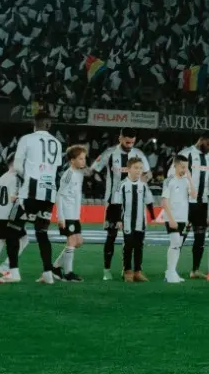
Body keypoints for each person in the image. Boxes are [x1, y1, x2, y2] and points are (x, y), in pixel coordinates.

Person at [91, 130, 150, 280]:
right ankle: (106, 270)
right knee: (111, 236)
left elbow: (148, 173)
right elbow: (94, 170)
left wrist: (142, 182)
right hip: (113, 203)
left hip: (134, 203)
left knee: (134, 239)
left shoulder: (138, 154)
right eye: (127, 142)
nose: (130, 145)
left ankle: (131, 270)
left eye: (132, 142)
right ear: (120, 138)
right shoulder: (109, 153)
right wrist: (102, 184)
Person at [13, 111, 62, 284]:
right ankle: (47, 273)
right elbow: (56, 167)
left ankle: (12, 271)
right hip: (49, 192)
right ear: (49, 125)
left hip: (31, 191)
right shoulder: (57, 143)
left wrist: (26, 178)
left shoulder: (27, 139)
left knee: (12, 230)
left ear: (34, 124)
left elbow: (17, 166)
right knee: (42, 233)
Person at [173, 134, 209, 278]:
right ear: (201, 140)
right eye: (208, 144)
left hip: (202, 204)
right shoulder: (186, 154)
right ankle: (171, 269)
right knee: (180, 237)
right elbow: (173, 175)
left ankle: (195, 270)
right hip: (186, 203)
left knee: (200, 238)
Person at [114, 158, 155, 282]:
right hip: (127, 221)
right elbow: (117, 204)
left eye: (140, 168)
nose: (138, 170)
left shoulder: (143, 185)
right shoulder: (122, 184)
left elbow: (149, 201)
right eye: (136, 168)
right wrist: (118, 220)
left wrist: (152, 216)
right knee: (128, 246)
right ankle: (127, 271)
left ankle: (137, 271)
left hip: (140, 222)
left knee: (139, 246)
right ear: (128, 169)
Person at [51, 145, 87, 281]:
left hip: (74, 215)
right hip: (67, 214)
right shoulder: (68, 175)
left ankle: (55, 267)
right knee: (71, 241)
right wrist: (61, 217)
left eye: (84, 158)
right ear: (72, 160)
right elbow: (59, 195)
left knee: (78, 241)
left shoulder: (79, 174)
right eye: (81, 158)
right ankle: (68, 273)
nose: (83, 161)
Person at [161, 156, 196, 283]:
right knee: (175, 243)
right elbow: (164, 202)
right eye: (182, 167)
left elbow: (194, 195)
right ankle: (170, 273)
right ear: (175, 166)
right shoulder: (169, 181)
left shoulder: (186, 181)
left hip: (183, 218)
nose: (184, 169)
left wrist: (190, 178)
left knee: (178, 245)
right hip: (172, 217)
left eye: (186, 167)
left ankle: (171, 272)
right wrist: (171, 219)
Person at [0, 164, 23, 284]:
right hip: (10, 215)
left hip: (0, 213)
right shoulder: (16, 178)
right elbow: (13, 198)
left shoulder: (2, 177)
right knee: (22, 240)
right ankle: (5, 268)